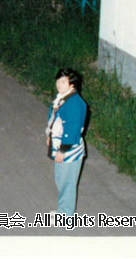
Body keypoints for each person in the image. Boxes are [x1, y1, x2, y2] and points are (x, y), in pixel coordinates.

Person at [46, 68, 88, 216]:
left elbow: (72, 130)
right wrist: (50, 137)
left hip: (68, 150)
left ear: (72, 84)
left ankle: (66, 215)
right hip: (61, 147)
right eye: (58, 81)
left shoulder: (74, 104)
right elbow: (55, 119)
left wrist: (62, 150)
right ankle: (64, 211)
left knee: (67, 183)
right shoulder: (64, 98)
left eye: (63, 81)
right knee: (61, 180)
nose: (59, 84)